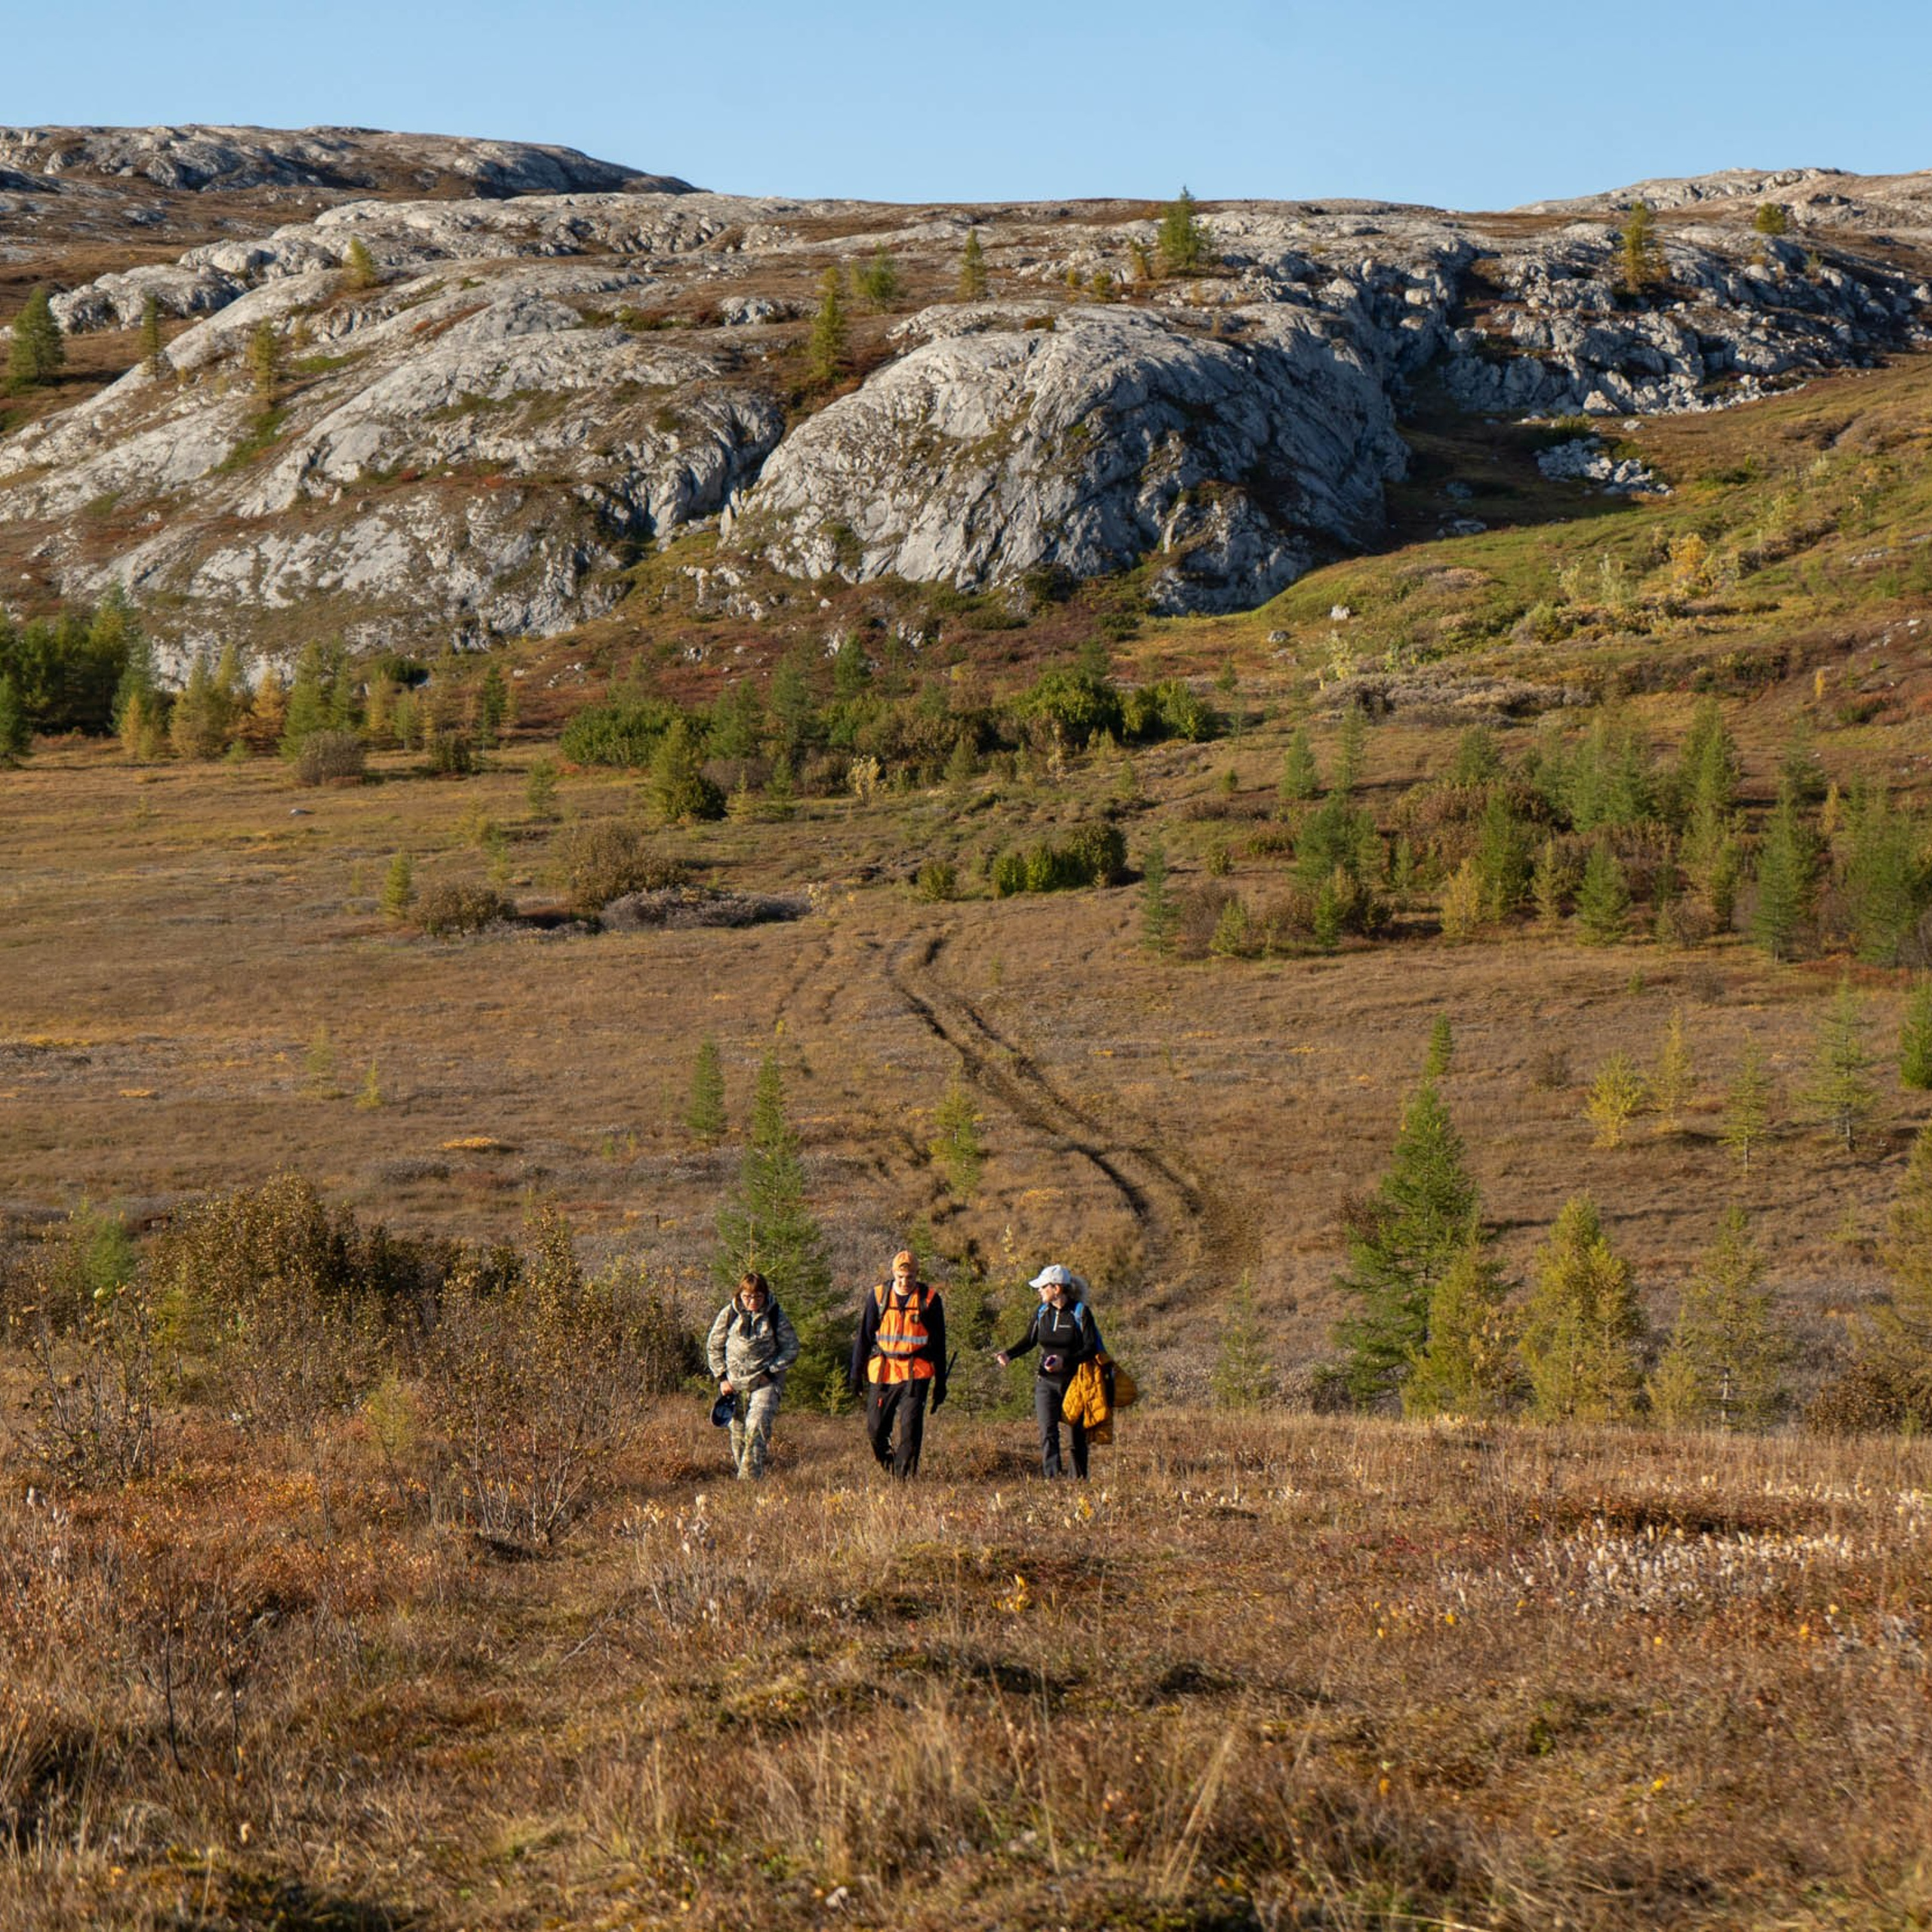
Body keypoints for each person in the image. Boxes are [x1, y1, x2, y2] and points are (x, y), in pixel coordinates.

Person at [997, 1264, 1103, 1479]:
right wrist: (1009, 1354)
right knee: (1048, 1432)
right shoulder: (1042, 1312)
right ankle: (1052, 1481)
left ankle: (1078, 1481)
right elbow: (1029, 1340)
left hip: (1075, 1383)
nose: (1039, 1290)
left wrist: (1065, 1362)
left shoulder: (1080, 1313)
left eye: (1043, 1286)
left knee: (1076, 1437)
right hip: (1046, 1382)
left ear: (1057, 1288)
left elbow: (1091, 1348)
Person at [848, 1248, 947, 1478]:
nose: (905, 1282)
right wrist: (855, 1374)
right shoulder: (878, 1296)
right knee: (875, 1429)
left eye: (910, 1277)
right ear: (893, 1273)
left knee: (910, 1428)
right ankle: (891, 1466)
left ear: (917, 1275)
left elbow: (939, 1344)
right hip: (883, 1372)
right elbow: (864, 1338)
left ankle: (904, 1480)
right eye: (900, 1277)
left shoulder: (930, 1300)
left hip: (916, 1372)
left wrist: (941, 1383)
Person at [706, 1270, 799, 1481]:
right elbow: (714, 1346)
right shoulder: (729, 1314)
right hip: (734, 1385)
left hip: (764, 1384)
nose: (753, 1301)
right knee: (739, 1434)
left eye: (758, 1296)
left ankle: (749, 1481)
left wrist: (770, 1372)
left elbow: (791, 1348)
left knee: (756, 1427)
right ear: (740, 1295)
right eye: (747, 1297)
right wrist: (722, 1378)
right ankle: (745, 1481)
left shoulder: (775, 1315)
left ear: (765, 1295)